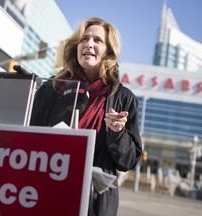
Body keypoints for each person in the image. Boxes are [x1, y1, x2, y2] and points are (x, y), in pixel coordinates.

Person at [30, 17, 142, 216]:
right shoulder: (52, 88)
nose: (89, 44)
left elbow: (129, 161)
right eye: (84, 39)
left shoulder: (124, 99)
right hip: (48, 189)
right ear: (76, 46)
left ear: (108, 51)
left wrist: (118, 133)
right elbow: (29, 136)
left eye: (97, 40)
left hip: (94, 202)